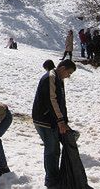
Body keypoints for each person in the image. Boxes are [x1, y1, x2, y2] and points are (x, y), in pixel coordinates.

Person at [32, 59, 76, 188]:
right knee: (52, 150)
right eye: (69, 72)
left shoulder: (58, 79)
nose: (69, 76)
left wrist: (64, 120)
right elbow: (52, 100)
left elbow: (61, 102)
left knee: (55, 149)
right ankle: (51, 181)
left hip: (52, 120)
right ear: (62, 68)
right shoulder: (51, 77)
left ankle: (54, 177)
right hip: (45, 120)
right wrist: (60, 121)